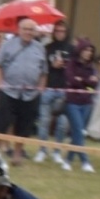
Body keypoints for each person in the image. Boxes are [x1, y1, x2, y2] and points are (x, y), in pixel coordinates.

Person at [0, 18, 48, 160]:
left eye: (31, 29)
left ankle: (17, 155)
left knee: (24, 126)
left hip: (30, 95)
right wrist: (0, 84)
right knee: (2, 123)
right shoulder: (8, 45)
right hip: (9, 92)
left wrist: (40, 88)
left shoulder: (40, 48)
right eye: (25, 29)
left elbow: (44, 71)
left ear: (35, 32)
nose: (28, 32)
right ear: (19, 29)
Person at [34, 19, 73, 168]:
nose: (60, 34)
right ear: (53, 32)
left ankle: (57, 151)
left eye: (62, 31)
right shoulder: (47, 48)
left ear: (66, 32)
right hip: (48, 88)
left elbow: (74, 69)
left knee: (62, 124)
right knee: (44, 121)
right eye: (57, 31)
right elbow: (41, 68)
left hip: (64, 90)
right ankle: (42, 150)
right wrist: (52, 66)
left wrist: (65, 66)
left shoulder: (72, 49)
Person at [61, 40, 99, 172]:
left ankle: (68, 160)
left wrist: (81, 80)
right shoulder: (71, 63)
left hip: (86, 103)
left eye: (90, 51)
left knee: (77, 133)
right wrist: (87, 81)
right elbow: (71, 80)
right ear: (80, 50)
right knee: (78, 131)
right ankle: (85, 161)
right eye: (86, 50)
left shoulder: (91, 67)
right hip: (72, 102)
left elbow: (94, 84)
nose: (88, 53)